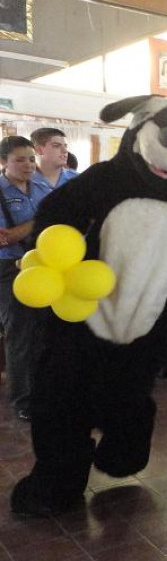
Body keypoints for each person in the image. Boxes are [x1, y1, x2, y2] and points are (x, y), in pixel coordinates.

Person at [0, 136, 52, 421]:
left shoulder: (42, 188)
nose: (28, 165)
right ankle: (22, 398)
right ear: (4, 161)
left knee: (43, 332)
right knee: (19, 333)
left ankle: (42, 390)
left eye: (31, 159)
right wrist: (39, 222)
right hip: (9, 269)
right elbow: (4, 238)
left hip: (43, 268)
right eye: (19, 159)